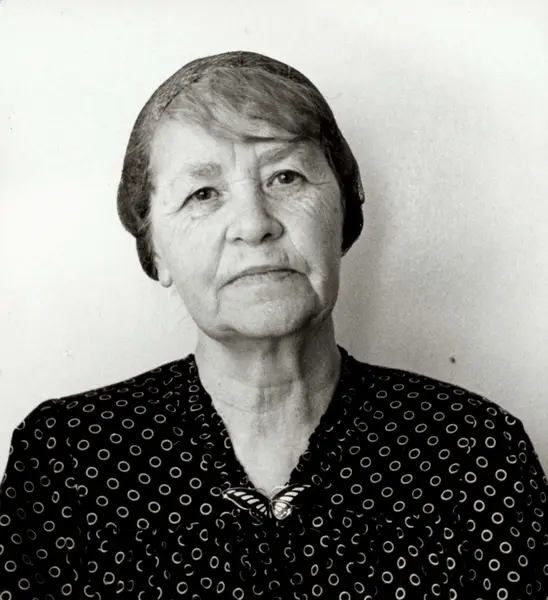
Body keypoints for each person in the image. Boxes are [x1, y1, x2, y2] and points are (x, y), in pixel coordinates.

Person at [1, 50, 547, 600]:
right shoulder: (66, 458)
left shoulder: (476, 451)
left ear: (343, 216)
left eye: (286, 177)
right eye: (203, 193)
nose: (254, 224)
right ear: (155, 251)